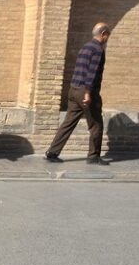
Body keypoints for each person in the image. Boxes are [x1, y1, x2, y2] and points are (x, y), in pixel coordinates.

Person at [45, 23, 111, 165]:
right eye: (108, 34)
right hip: (86, 92)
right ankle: (93, 156)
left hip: (74, 89)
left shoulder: (85, 47)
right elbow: (91, 73)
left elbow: (79, 69)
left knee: (68, 123)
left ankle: (52, 152)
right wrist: (87, 93)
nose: (108, 38)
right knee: (96, 125)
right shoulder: (98, 49)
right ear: (103, 33)